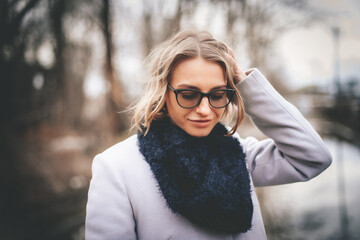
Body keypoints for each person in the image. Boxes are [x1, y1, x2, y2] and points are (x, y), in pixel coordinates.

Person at [85, 30, 332, 240]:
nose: (205, 110)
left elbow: (312, 157)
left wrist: (246, 84)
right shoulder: (117, 168)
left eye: (217, 95)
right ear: (163, 92)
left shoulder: (238, 155)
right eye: (189, 94)